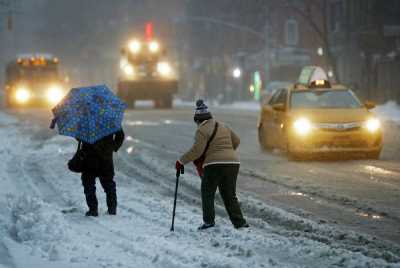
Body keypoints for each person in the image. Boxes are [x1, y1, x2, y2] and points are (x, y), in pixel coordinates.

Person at [176, 100, 249, 230]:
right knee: (229, 194)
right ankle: (240, 222)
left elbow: (197, 151)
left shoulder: (202, 130)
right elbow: (236, 141)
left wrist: (181, 161)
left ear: (198, 120)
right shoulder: (223, 126)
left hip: (214, 164)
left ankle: (209, 221)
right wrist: (227, 152)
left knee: (207, 192)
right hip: (233, 162)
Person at [80, 129, 125, 217]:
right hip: (105, 157)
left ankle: (93, 210)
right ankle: (112, 210)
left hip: (90, 156)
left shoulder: (85, 119)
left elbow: (79, 136)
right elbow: (120, 135)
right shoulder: (109, 118)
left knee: (89, 184)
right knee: (108, 184)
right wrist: (113, 147)